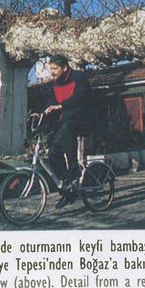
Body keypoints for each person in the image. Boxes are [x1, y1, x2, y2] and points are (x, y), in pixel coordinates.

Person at [43, 55, 95, 206]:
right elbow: (50, 102)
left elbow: (81, 96)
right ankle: (67, 187)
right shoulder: (55, 84)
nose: (52, 72)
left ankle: (73, 170)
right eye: (50, 68)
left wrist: (62, 105)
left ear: (64, 67)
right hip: (67, 123)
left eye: (54, 68)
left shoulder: (79, 77)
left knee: (67, 129)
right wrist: (41, 112)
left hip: (83, 119)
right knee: (52, 152)